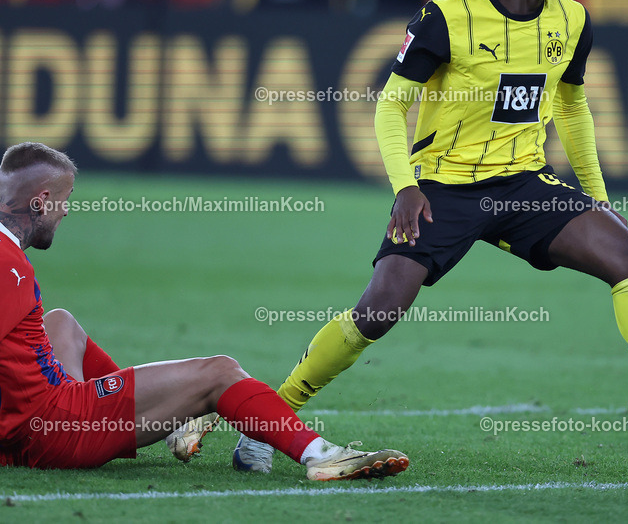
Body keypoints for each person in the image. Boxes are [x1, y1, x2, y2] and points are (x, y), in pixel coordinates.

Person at [232, 0, 628, 473]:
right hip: (443, 190)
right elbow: (391, 104)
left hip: (524, 183)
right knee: (377, 312)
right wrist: (406, 185)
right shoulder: (447, 17)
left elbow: (572, 108)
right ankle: (270, 416)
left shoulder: (572, 21)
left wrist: (597, 195)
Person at [0, 142, 409, 480]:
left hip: (35, 419)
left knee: (61, 323)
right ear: (40, 201)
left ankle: (169, 420)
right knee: (219, 371)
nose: (66, 211)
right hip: (54, 429)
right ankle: (321, 456)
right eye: (64, 200)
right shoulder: (9, 264)